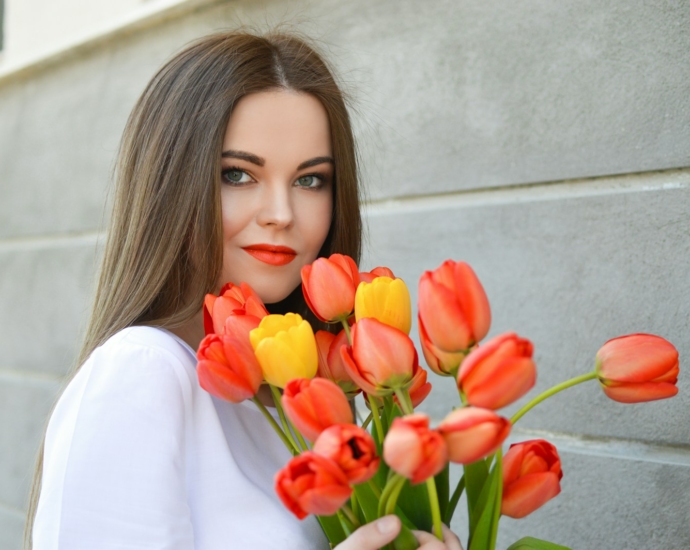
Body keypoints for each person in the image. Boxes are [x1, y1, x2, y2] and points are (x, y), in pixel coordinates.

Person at [25, 32, 462, 550]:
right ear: (171, 186)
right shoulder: (142, 373)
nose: (280, 213)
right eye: (238, 174)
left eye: (310, 181)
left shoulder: (305, 396)